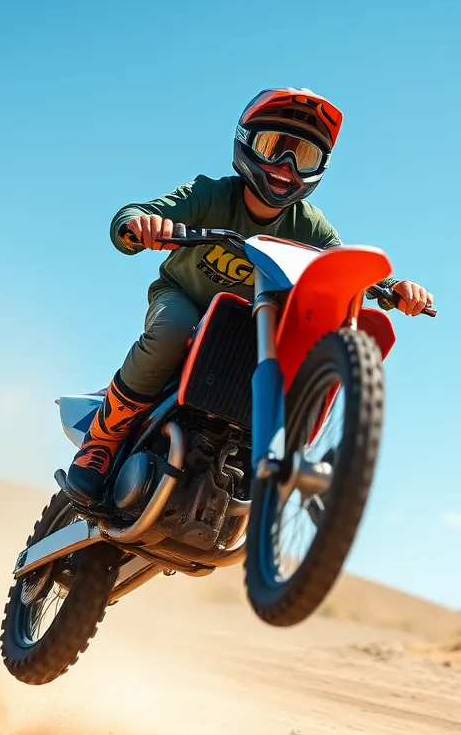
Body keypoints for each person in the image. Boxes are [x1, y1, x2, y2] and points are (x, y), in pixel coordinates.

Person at [65, 87, 433, 505]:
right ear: (246, 143)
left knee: (294, 351)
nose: (287, 166)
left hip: (248, 326)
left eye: (305, 157)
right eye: (274, 147)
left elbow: (340, 268)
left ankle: (259, 463)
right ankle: (103, 439)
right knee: (173, 328)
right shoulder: (211, 195)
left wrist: (393, 290)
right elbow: (132, 216)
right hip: (187, 299)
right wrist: (142, 225)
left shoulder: (312, 228)